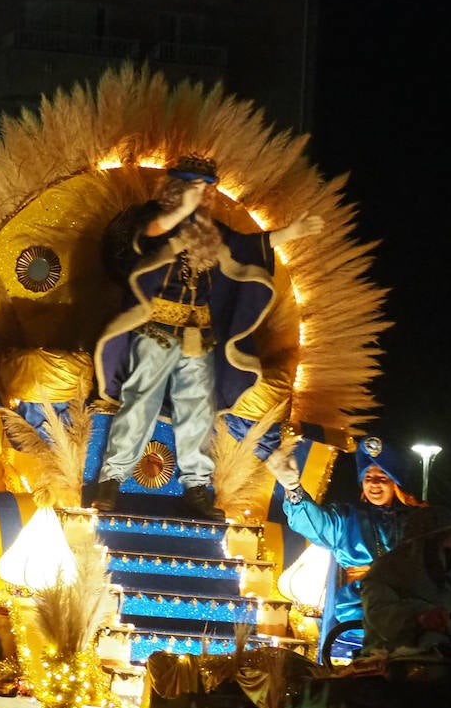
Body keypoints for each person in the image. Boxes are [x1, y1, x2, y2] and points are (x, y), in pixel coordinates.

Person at [91, 154, 325, 521]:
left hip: (198, 334)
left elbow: (247, 246)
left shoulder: (212, 232)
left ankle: (196, 486)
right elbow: (147, 236)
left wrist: (289, 233)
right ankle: (112, 479)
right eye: (193, 186)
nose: (201, 194)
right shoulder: (155, 218)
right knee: (140, 401)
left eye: (206, 188)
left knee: (197, 409)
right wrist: (181, 212)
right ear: (176, 188)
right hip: (156, 329)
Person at [267, 434, 451, 649]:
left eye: (382, 477)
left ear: (395, 483)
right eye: (368, 477)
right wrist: (293, 489)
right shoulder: (346, 519)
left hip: (415, 612)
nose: (374, 483)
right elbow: (315, 523)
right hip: (357, 617)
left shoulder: (418, 522)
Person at [360, 505, 451, 653]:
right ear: (425, 544)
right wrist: (419, 617)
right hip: (396, 660)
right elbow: (380, 614)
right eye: (449, 539)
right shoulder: (385, 573)